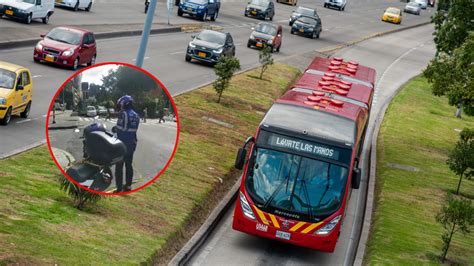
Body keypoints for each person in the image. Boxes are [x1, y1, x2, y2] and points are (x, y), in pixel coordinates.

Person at [115, 95, 140, 192]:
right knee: (129, 165)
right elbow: (134, 129)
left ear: (124, 103)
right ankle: (128, 186)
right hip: (132, 142)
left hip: (123, 143)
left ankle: (119, 188)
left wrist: (116, 128)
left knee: (119, 166)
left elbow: (122, 128)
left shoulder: (123, 113)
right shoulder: (136, 115)